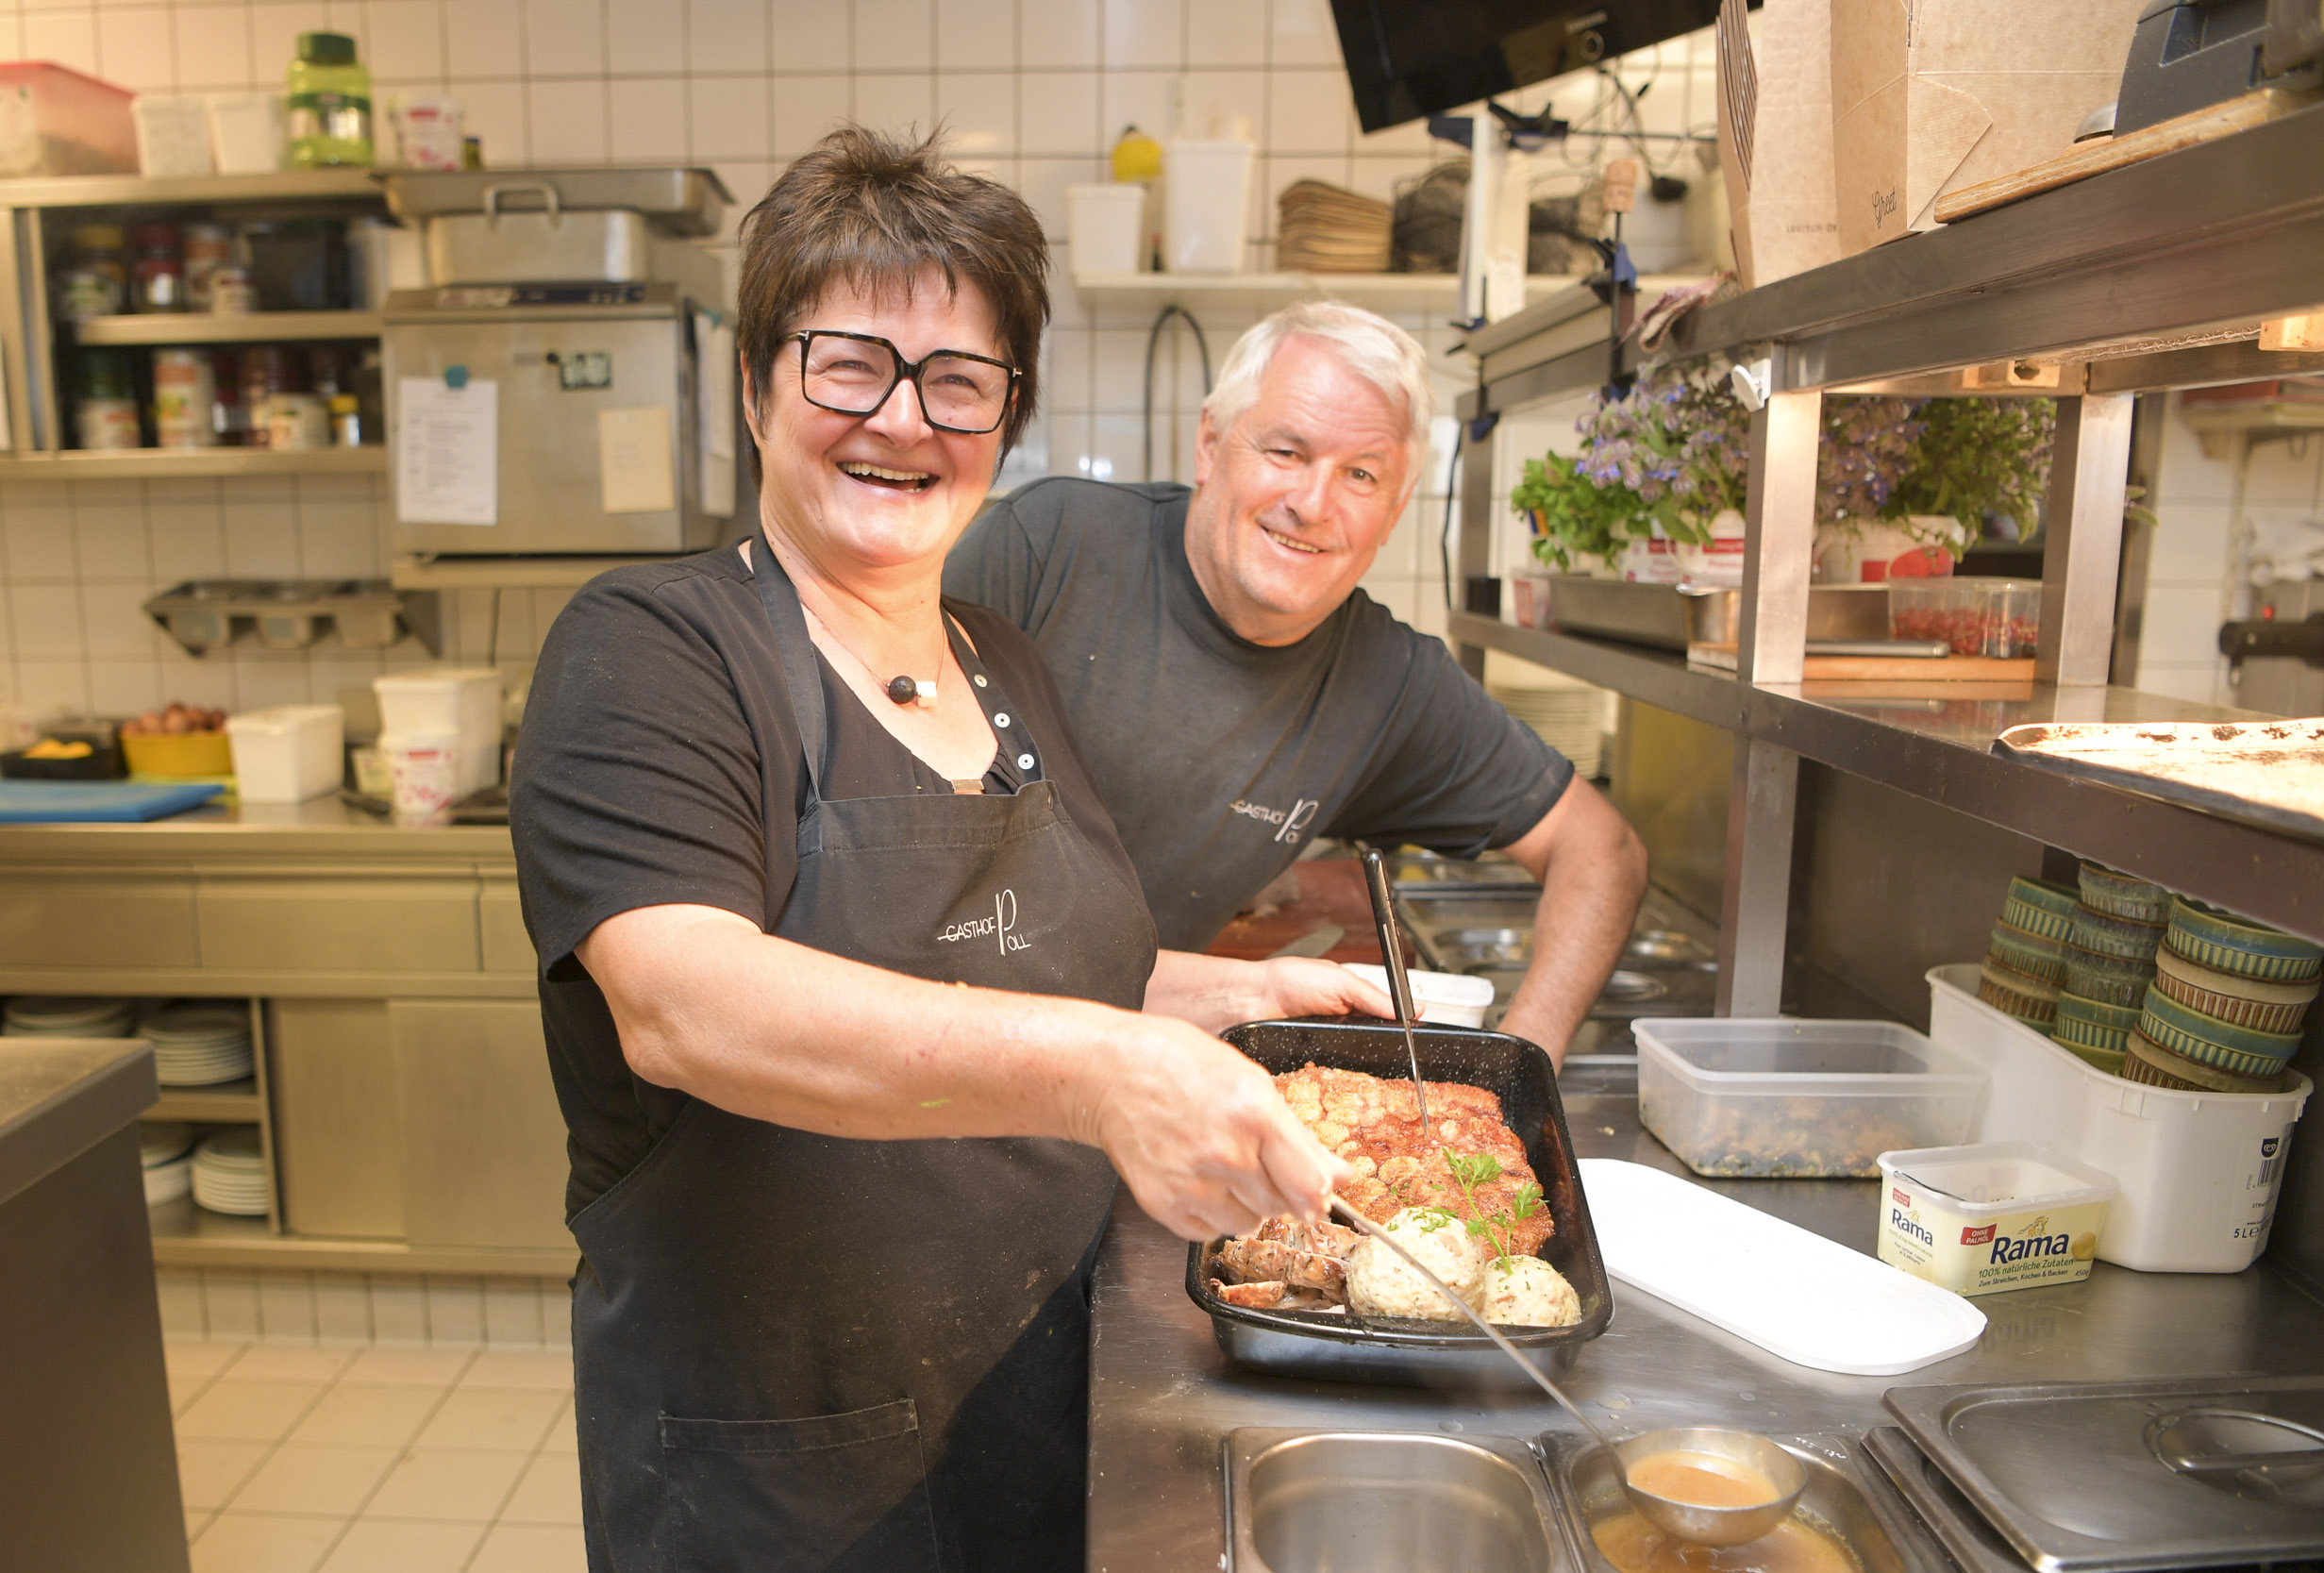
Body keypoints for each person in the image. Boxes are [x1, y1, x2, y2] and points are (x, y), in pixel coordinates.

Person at [508, 128, 1389, 1573]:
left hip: (1039, 1417)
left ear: (1007, 419)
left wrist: (1201, 998)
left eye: (960, 382)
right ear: (755, 382)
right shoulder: (655, 648)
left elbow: (1017, 959)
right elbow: (687, 1003)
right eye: (849, 362)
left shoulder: (1003, 663)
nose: (903, 421)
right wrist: (1112, 1071)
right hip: (785, 1470)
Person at [944, 301, 1649, 1064]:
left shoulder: (1387, 681)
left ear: (1394, 511)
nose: (1313, 505)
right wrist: (1245, 992)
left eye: (1361, 474)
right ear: (1210, 445)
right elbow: (887, 869)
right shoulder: (1046, 550)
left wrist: (1522, 1067)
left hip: (1126, 1083)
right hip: (933, 1052)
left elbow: (1601, 850)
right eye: (1285, 451)